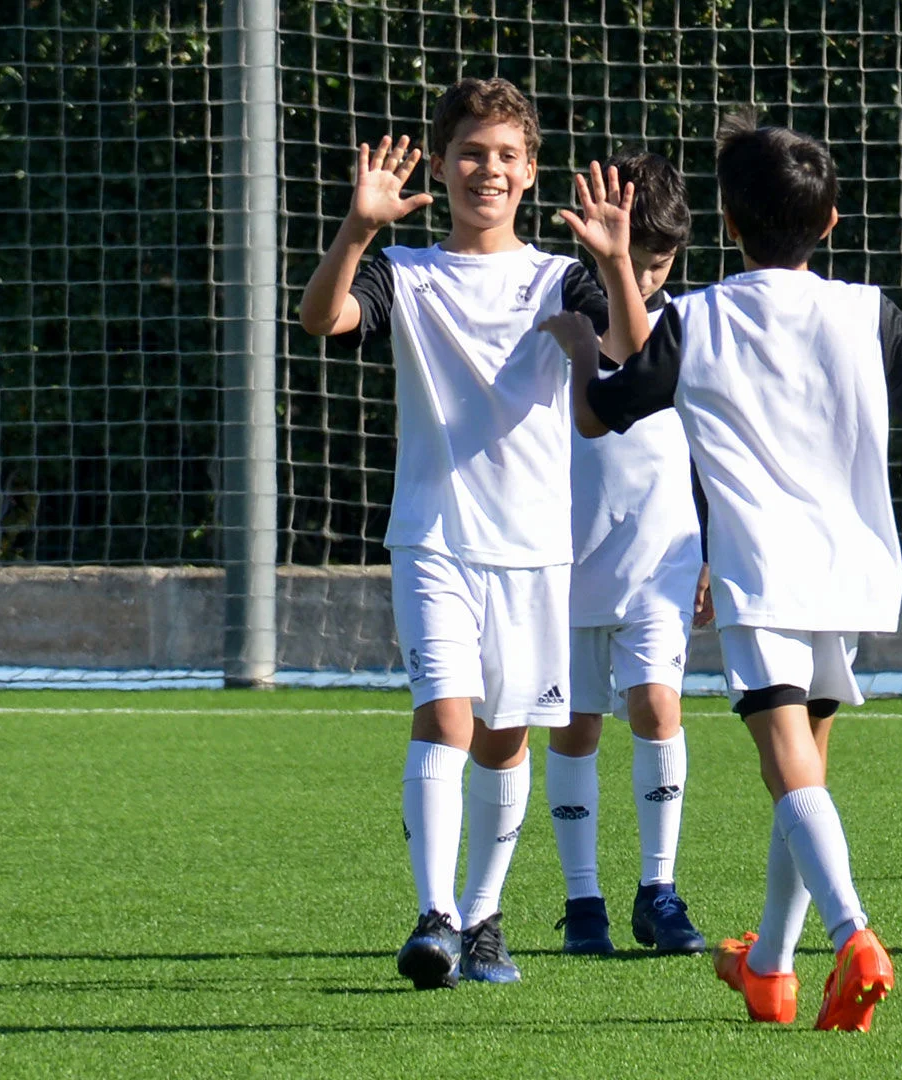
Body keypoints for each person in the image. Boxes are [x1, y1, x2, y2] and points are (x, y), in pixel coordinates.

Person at [543, 112, 902, 1030]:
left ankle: (855, 936)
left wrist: (585, 347)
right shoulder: (868, 312)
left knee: (789, 775)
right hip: (849, 572)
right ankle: (770, 968)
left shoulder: (696, 319)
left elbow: (597, 414)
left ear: (728, 226)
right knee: (804, 773)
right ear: (831, 223)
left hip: (759, 578)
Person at [296, 76, 651, 988]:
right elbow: (323, 318)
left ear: (530, 173)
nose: (485, 170)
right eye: (469, 153)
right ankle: (435, 918)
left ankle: (487, 918)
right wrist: (359, 227)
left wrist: (615, 261)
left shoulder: (557, 276)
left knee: (504, 737)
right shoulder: (404, 271)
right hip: (434, 537)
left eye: (505, 156)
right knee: (446, 719)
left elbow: (632, 355)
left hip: (535, 547)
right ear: (445, 164)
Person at [541, 151, 711, 957]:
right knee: (575, 726)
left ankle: (659, 889)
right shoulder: (559, 316)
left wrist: (713, 549)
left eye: (657, 262)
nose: (641, 276)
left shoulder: (685, 331)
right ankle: (584, 905)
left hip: (660, 556)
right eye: (627, 258)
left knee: (655, 705)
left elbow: (707, 448)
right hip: (566, 558)